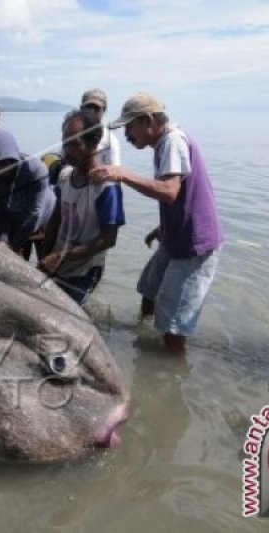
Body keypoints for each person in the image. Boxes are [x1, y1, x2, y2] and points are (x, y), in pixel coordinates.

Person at [90, 92, 223, 351]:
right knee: (149, 289)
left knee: (173, 324)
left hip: (194, 244)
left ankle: (170, 369)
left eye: (129, 126)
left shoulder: (172, 141)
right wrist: (164, 226)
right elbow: (186, 192)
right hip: (176, 235)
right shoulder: (165, 142)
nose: (127, 134)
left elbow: (169, 191)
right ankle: (144, 338)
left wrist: (122, 174)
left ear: (147, 121)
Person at [38, 110, 125, 305]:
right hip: (57, 263)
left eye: (74, 144)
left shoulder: (107, 188)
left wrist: (62, 256)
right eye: (65, 143)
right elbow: (55, 219)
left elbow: (108, 240)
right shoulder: (65, 176)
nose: (67, 150)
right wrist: (45, 256)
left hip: (84, 270)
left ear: (94, 142)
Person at [0, 128, 56, 257]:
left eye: (6, 162)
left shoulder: (35, 170)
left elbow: (34, 214)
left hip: (45, 221)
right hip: (16, 223)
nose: (1, 168)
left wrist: (14, 246)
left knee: (46, 264)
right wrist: (4, 240)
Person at [76, 89, 122, 167]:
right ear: (81, 109)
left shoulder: (110, 141)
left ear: (104, 110)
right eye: (88, 107)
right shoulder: (72, 133)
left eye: (96, 108)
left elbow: (115, 173)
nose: (92, 112)